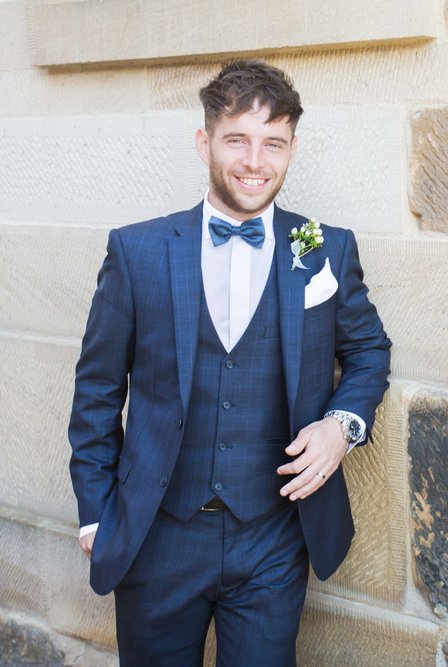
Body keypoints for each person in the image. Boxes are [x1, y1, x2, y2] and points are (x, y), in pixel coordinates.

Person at [68, 60, 391, 666]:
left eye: (273, 143)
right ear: (204, 142)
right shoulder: (137, 250)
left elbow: (370, 351)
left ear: (293, 148)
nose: (254, 161)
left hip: (272, 537)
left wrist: (341, 427)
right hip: (157, 535)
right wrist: (95, 516)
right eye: (237, 139)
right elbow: (97, 392)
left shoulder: (323, 247)